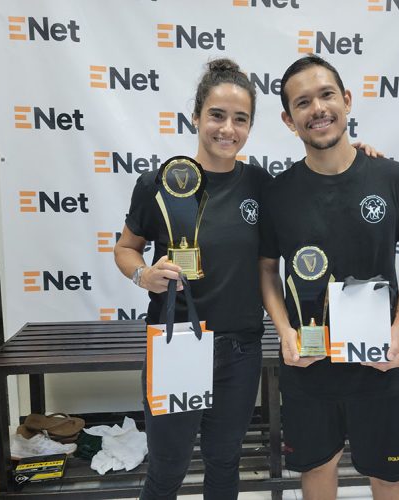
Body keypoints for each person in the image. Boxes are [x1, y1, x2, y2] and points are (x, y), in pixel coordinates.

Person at [114, 57, 381, 499]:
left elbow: (323, 180)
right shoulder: (158, 184)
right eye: (217, 115)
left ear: (252, 126)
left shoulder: (261, 184)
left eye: (241, 119)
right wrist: (142, 274)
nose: (227, 129)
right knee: (168, 466)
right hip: (175, 340)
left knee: (224, 462)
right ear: (196, 116)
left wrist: (365, 158)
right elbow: (126, 249)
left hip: (240, 349)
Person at [259, 54, 399, 500]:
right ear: (288, 119)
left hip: (381, 362)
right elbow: (265, 270)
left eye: (326, 95)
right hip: (309, 366)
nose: (317, 108)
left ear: (347, 100)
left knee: (391, 477)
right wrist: (284, 332)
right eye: (302, 102)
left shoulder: (394, 178)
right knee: (317, 469)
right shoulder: (277, 194)